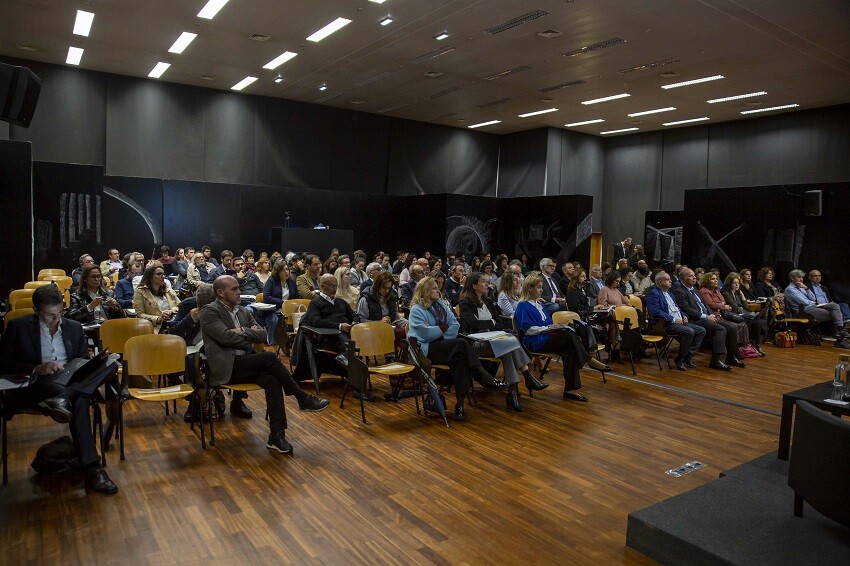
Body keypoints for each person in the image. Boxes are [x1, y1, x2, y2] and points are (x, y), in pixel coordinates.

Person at [0, 285, 118, 494]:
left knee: (111, 364)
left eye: (59, 313)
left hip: (70, 379)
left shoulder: (73, 327)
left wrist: (92, 364)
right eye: (50, 316)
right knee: (80, 399)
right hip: (36, 383)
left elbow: (81, 359)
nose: (56, 320)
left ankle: (63, 398)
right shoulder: (19, 326)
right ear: (37, 311)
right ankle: (93, 468)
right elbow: (4, 363)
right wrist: (37, 368)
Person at [200, 276, 329, 454]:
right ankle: (301, 397)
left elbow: (263, 335)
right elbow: (225, 337)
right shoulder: (210, 311)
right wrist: (248, 336)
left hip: (246, 363)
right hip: (225, 368)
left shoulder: (243, 311)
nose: (239, 292)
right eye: (234, 289)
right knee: (268, 357)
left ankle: (277, 436)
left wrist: (242, 331)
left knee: (272, 380)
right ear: (220, 293)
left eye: (239, 288)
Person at [408, 277, 496, 421]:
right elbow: (425, 334)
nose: (438, 290)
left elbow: (455, 325)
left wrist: (439, 331)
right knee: (461, 343)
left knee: (461, 360)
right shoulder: (417, 309)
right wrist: (444, 327)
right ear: (425, 291)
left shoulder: (441, 306)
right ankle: (481, 373)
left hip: (446, 346)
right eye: (434, 288)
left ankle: (460, 405)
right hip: (427, 349)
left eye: (438, 288)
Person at [514, 273, 611, 402]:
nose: (542, 290)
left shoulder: (540, 305)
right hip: (534, 340)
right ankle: (589, 359)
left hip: (547, 337)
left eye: (541, 287)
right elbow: (527, 330)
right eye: (539, 287)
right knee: (567, 335)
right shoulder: (523, 305)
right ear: (530, 288)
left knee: (570, 350)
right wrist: (548, 328)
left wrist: (555, 327)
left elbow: (548, 324)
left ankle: (571, 390)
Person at [458, 273, 543, 409]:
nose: (487, 284)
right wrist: (490, 322)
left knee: (507, 349)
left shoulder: (488, 301)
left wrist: (487, 323)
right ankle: (527, 377)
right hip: (475, 343)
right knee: (509, 343)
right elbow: (474, 324)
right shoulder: (465, 303)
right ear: (474, 285)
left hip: (495, 340)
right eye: (483, 282)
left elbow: (499, 323)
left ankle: (512, 393)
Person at [672, 268, 742, 371]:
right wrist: (706, 316)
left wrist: (711, 314)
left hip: (706, 317)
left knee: (731, 327)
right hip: (694, 320)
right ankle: (715, 360)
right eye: (690, 276)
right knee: (720, 329)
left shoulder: (694, 290)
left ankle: (731, 357)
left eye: (694, 275)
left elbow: (705, 305)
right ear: (682, 278)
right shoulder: (680, 291)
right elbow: (687, 309)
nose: (694, 277)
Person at [646, 271, 706, 371]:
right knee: (689, 331)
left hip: (678, 322)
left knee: (701, 330)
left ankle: (688, 355)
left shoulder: (670, 294)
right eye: (667, 279)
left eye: (670, 279)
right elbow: (655, 311)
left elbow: (677, 308)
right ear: (660, 282)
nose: (671, 281)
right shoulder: (654, 293)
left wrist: (684, 315)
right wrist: (673, 319)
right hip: (664, 324)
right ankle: (680, 359)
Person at [785, 269, 849, 342]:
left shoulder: (801, 287)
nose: (801, 279)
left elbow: (813, 298)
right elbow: (804, 302)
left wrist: (806, 288)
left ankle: (840, 331)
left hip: (812, 306)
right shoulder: (790, 289)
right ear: (792, 278)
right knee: (836, 314)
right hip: (803, 311)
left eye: (802, 277)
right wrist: (813, 302)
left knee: (835, 306)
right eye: (799, 277)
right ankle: (840, 338)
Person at [699, 271, 750, 349]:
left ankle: (741, 348)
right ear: (706, 281)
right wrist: (722, 306)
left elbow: (723, 301)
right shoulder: (704, 291)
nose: (715, 281)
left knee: (742, 323)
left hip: (722, 314)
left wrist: (720, 305)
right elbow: (710, 304)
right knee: (733, 327)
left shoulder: (716, 291)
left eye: (716, 279)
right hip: (713, 316)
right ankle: (732, 350)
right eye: (712, 279)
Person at [723, 272, 768, 356]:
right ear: (730, 284)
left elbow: (746, 306)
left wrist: (742, 295)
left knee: (762, 321)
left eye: (738, 283)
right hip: (734, 317)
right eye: (734, 283)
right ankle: (754, 346)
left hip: (742, 315)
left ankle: (757, 346)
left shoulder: (737, 294)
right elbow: (736, 309)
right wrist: (741, 308)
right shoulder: (726, 294)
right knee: (757, 323)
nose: (737, 285)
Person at [260, 259, 299, 345]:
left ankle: (291, 344)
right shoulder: (272, 281)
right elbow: (266, 297)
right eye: (283, 270)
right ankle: (272, 344)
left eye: (287, 269)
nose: (286, 272)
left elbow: (296, 297)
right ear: (277, 272)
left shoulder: (291, 282)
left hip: (288, 311)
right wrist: (282, 302)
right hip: (272, 310)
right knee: (274, 320)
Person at [132, 264, 180, 333]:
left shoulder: (169, 291)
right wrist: (158, 319)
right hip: (154, 327)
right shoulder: (140, 292)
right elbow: (139, 314)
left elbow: (181, 306)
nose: (163, 276)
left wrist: (172, 311)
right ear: (150, 277)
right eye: (158, 274)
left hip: (172, 323)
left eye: (163, 274)